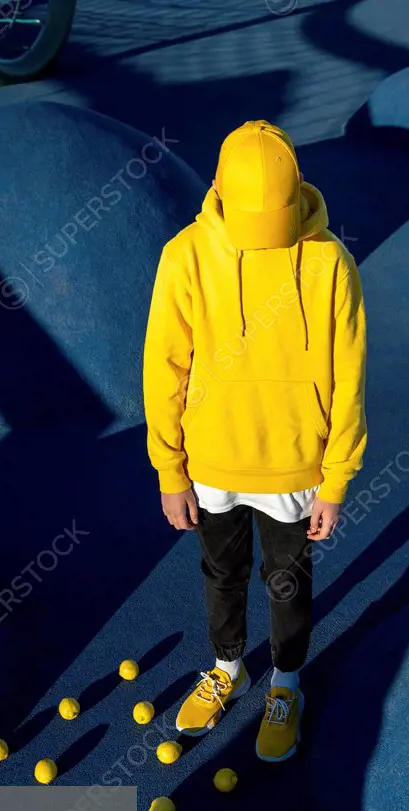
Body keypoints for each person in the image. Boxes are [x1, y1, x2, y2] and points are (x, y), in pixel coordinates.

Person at [142, 120, 367, 761]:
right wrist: (170, 470)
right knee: (222, 572)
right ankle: (227, 666)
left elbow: (349, 377)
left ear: (298, 194)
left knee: (287, 579)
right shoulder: (184, 257)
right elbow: (165, 371)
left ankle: (287, 681)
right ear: (216, 190)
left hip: (296, 467)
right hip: (213, 464)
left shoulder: (328, 263)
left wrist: (336, 479)